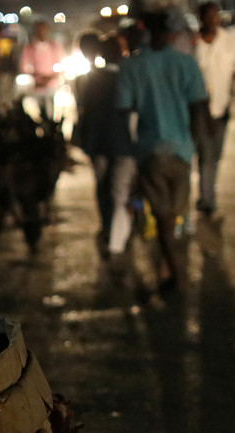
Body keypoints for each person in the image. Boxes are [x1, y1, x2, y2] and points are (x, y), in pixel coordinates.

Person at [117, 10, 210, 293]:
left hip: (149, 150)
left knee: (161, 215)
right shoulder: (186, 64)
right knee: (172, 215)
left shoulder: (132, 66)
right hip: (181, 150)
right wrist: (198, 143)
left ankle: (171, 269)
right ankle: (169, 267)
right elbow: (199, 107)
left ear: (146, 31)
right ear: (173, 35)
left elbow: (123, 109)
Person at [75, 33, 137, 262]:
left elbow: (82, 112)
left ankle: (108, 227)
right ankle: (117, 237)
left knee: (103, 188)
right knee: (119, 192)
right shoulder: (128, 76)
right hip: (123, 144)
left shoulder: (87, 80)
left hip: (98, 142)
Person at [193, 1, 235, 220]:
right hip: (198, 109)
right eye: (208, 16)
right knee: (206, 155)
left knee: (214, 155)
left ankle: (205, 195)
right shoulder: (193, 43)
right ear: (201, 19)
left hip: (222, 108)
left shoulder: (230, 41)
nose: (212, 20)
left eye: (215, 16)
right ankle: (208, 200)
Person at [19, 17, 65, 119]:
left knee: (51, 108)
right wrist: (37, 76)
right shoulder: (29, 48)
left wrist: (51, 76)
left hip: (51, 82)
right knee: (40, 108)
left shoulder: (55, 47)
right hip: (37, 83)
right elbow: (25, 66)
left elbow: (61, 64)